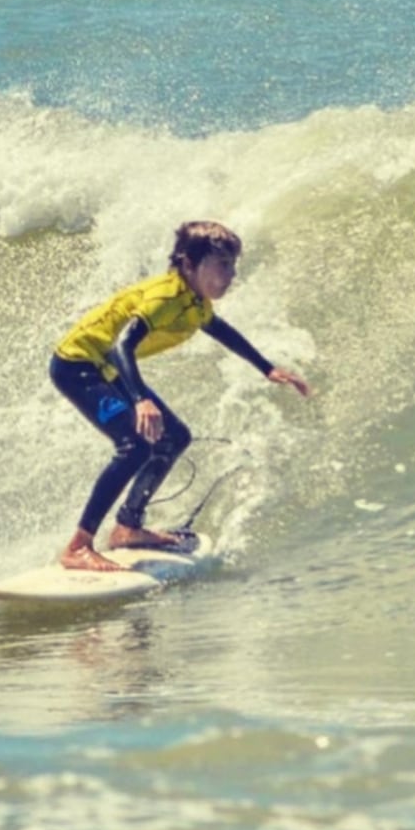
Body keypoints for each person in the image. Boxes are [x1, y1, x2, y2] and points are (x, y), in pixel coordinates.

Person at [49, 220, 310, 572]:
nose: (231, 274)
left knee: (174, 437)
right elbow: (122, 346)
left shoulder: (195, 300)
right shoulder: (165, 298)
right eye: (222, 265)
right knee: (135, 445)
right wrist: (141, 400)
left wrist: (266, 368)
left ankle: (128, 526)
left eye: (233, 265)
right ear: (189, 264)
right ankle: (79, 546)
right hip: (78, 365)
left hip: (106, 368)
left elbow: (219, 329)